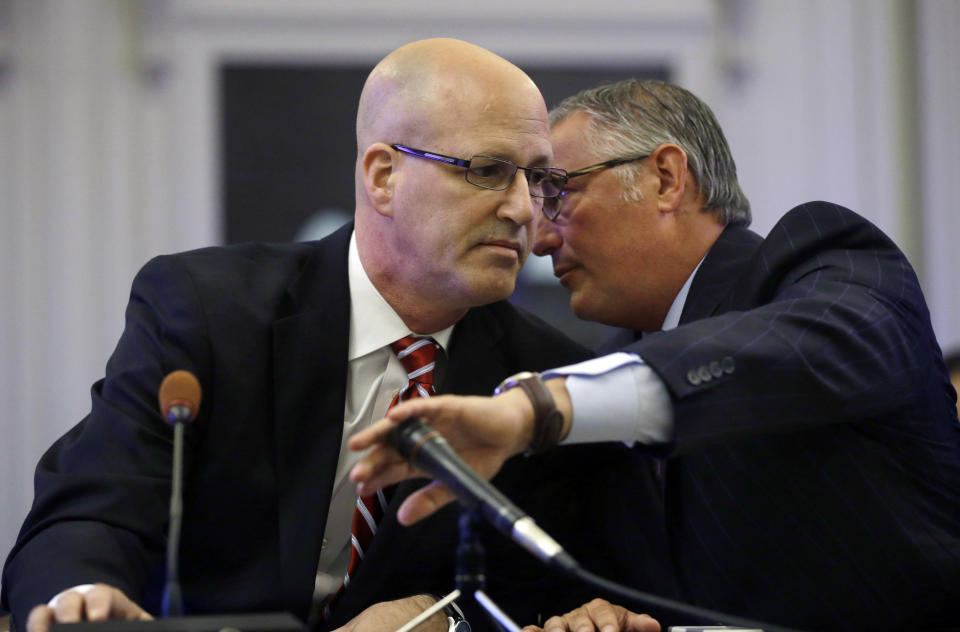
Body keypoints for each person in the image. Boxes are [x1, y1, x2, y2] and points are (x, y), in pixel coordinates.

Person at [0, 38, 621, 632]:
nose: (522, 210)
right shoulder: (212, 313)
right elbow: (97, 505)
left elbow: (552, 594)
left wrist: (451, 621)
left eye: (538, 180)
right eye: (488, 171)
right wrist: (80, 594)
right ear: (382, 177)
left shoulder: (545, 380)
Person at [351, 79, 960, 632]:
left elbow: (791, 351)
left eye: (558, 193)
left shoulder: (823, 262)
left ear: (666, 178)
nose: (538, 237)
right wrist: (596, 618)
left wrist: (536, 410)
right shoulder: (601, 363)